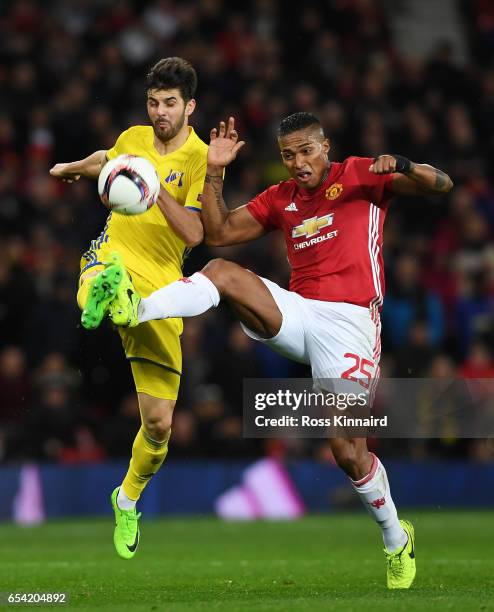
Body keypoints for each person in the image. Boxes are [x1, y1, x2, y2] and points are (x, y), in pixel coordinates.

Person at [100, 112, 453, 588]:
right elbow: (219, 231)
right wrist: (216, 170)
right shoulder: (282, 198)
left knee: (347, 451)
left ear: (325, 146)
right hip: (299, 313)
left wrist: (405, 165)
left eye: (307, 150)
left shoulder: (361, 174)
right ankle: (135, 308)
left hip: (350, 323)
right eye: (288, 155)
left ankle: (395, 536)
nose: (299, 163)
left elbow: (442, 184)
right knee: (222, 269)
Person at [49, 57, 208, 559]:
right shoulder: (134, 137)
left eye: (169, 104)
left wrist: (154, 190)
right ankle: (107, 293)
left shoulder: (202, 157)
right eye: (153, 103)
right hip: (116, 252)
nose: (159, 112)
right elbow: (110, 158)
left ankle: (126, 497)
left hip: (162, 286)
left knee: (159, 424)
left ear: (190, 107)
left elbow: (196, 233)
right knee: (98, 277)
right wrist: (75, 167)